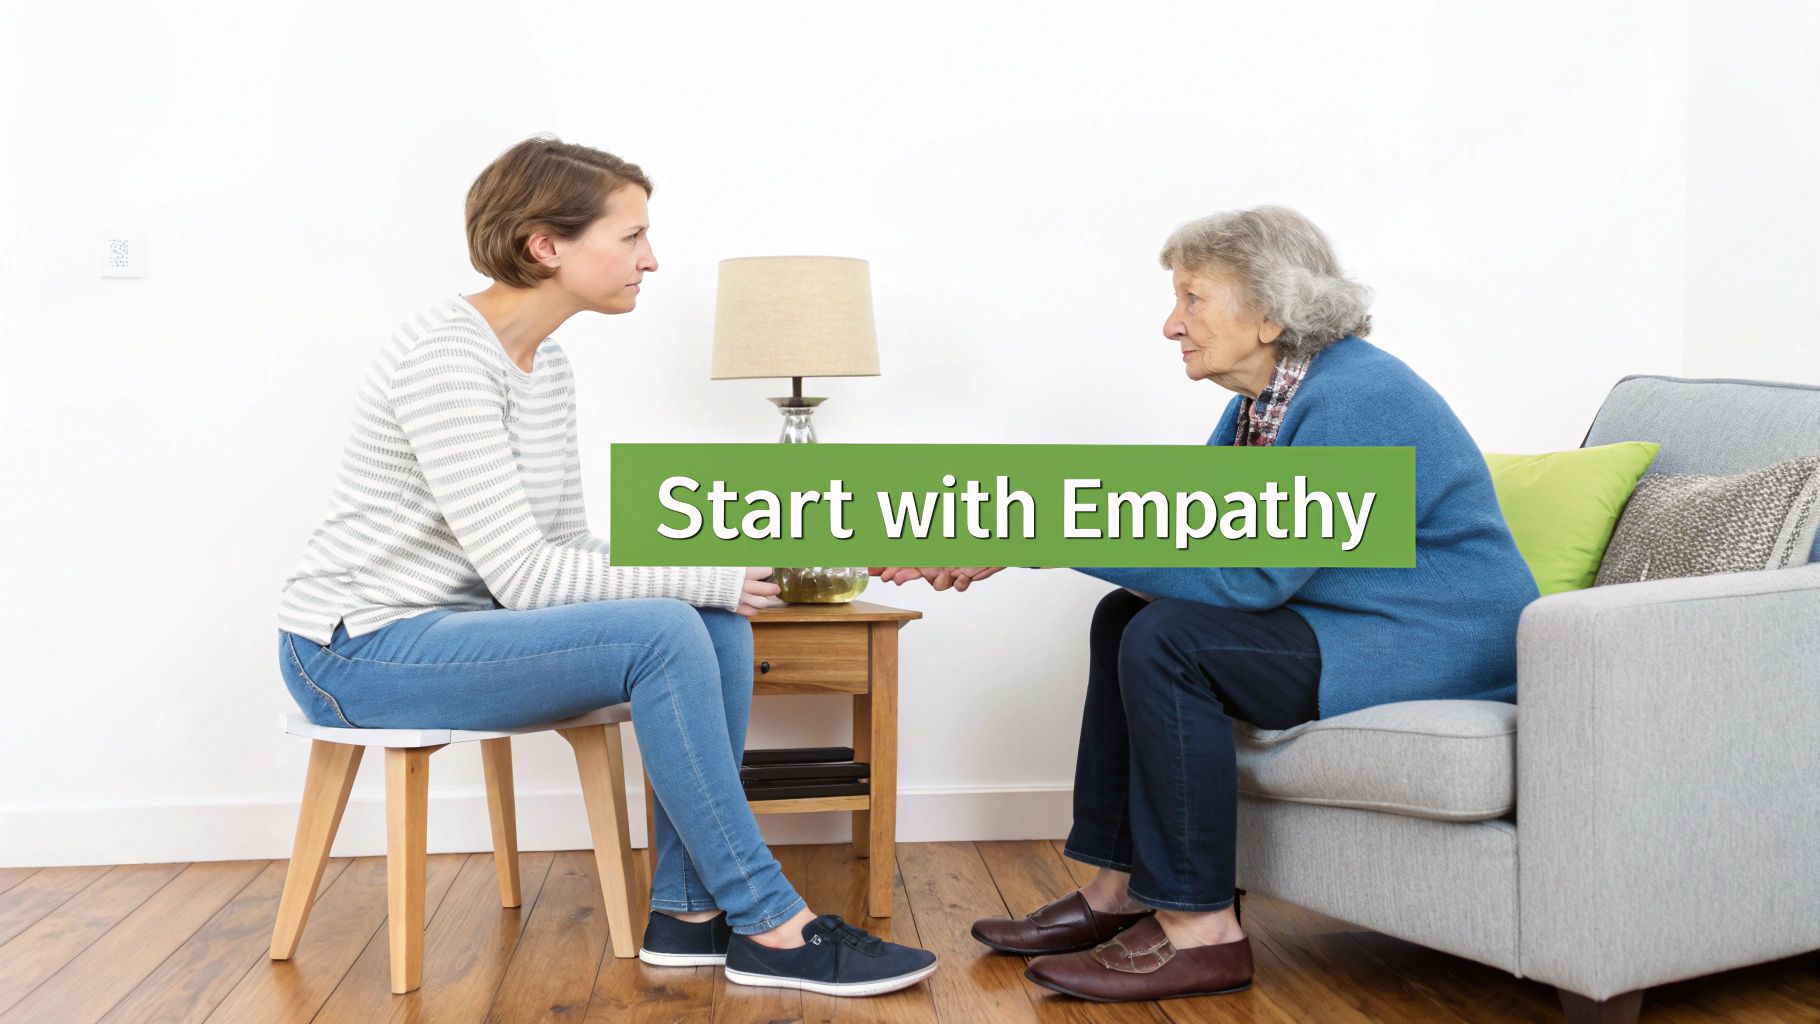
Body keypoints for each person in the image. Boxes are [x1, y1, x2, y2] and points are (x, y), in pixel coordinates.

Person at [276, 136, 937, 998]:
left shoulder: (543, 363)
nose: (650, 260)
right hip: (354, 652)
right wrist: (699, 577)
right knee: (674, 620)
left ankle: (689, 914)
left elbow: (565, 547)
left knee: (711, 620)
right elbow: (525, 578)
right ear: (545, 245)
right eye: (629, 238)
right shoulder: (447, 355)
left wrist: (718, 570)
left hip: (454, 630)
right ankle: (774, 924)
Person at [875, 205, 1537, 1003]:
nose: (1171, 324)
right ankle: (1119, 893)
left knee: (1171, 640)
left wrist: (1033, 538)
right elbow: (1199, 549)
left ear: (1268, 311)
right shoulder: (1263, 404)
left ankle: (1202, 930)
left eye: (1193, 298)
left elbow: (1251, 576)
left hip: (1434, 640)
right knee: (1127, 615)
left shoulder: (1358, 397)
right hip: (1355, 620)